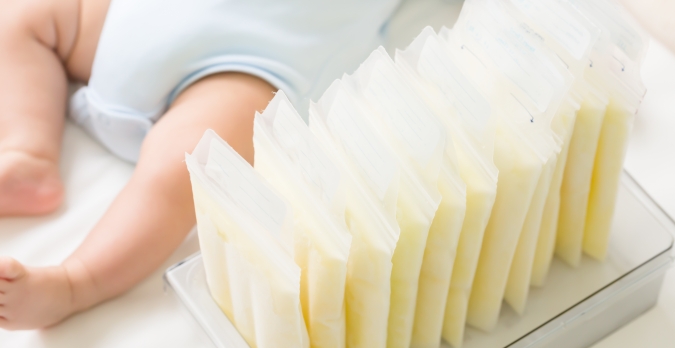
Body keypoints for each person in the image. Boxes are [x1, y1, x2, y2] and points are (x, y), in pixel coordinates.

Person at [0, 0, 399, 330]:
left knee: (184, 170)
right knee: (19, 15)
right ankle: (27, 153)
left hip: (248, 60)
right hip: (134, 18)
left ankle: (74, 282)